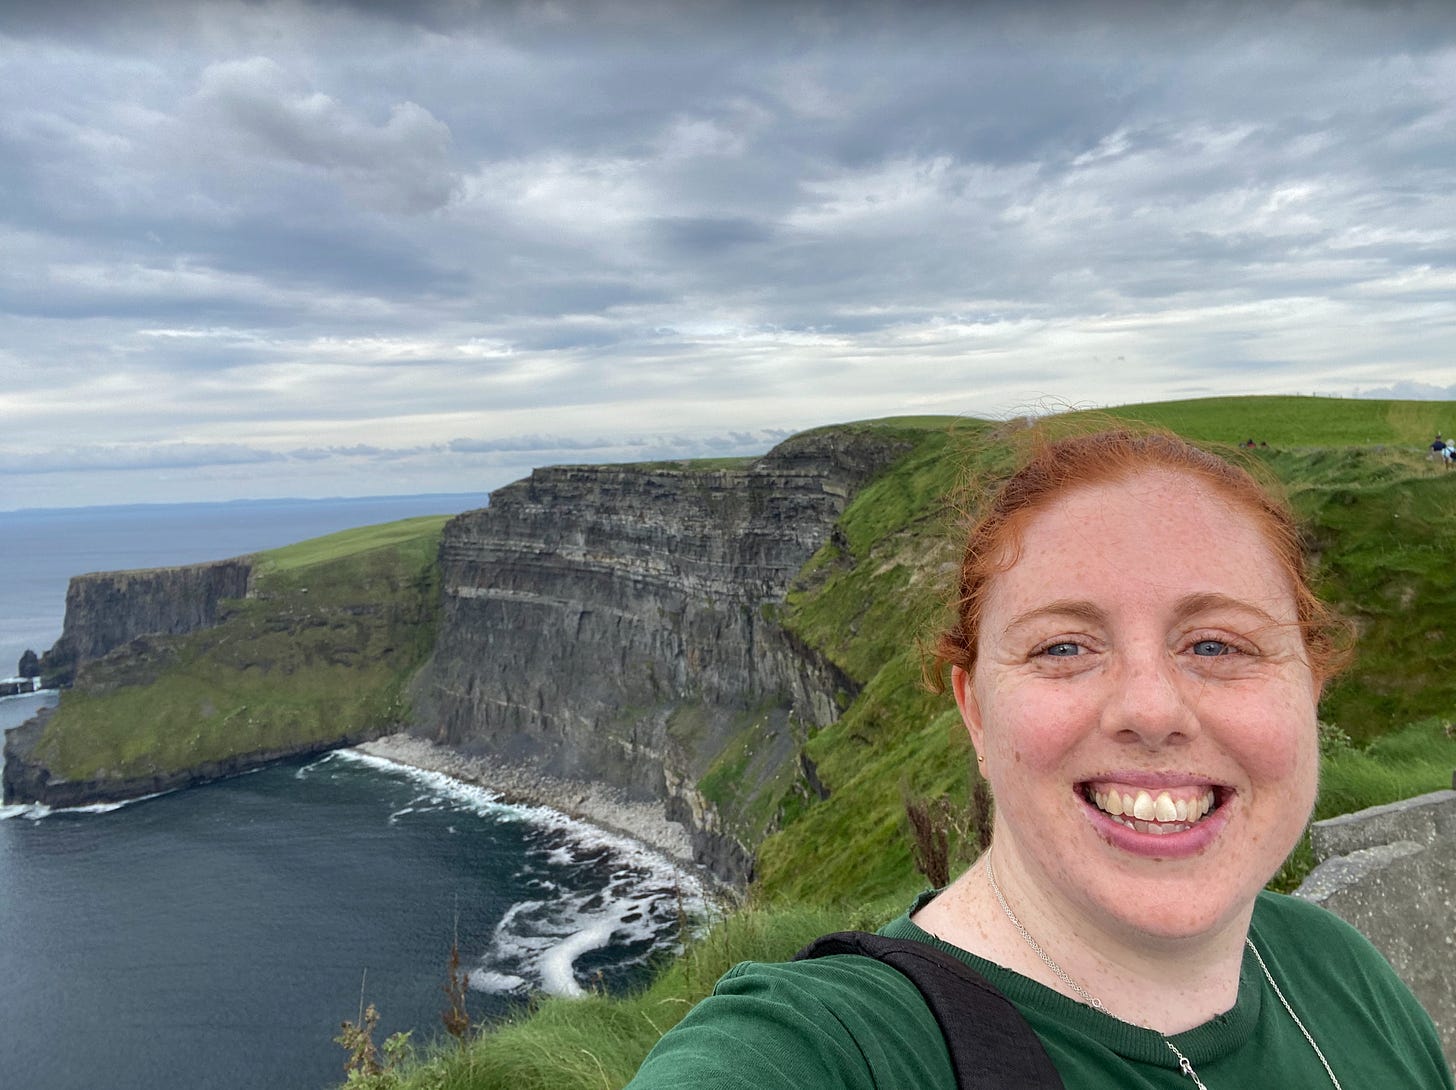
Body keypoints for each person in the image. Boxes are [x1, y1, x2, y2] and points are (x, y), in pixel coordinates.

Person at [625, 427, 1454, 1089]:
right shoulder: (840, 1050)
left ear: (1311, 687)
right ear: (976, 713)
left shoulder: (1334, 963)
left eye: (1216, 643)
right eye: (1063, 646)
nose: (1150, 710)